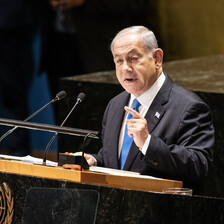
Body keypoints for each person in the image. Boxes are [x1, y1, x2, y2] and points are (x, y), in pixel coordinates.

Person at [84, 26, 215, 190]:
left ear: (157, 58)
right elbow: (120, 160)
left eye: (133, 58)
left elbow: (198, 165)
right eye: (119, 60)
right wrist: (95, 161)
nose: (125, 68)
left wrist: (148, 143)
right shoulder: (116, 104)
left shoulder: (189, 107)